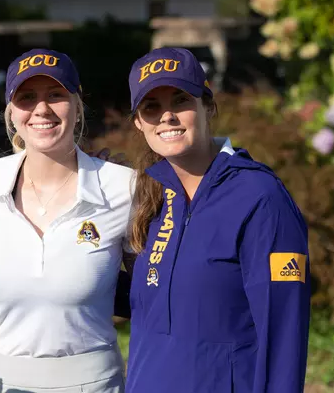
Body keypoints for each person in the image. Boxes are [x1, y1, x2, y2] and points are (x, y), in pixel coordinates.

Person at [0, 49, 135, 393]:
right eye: (27, 97)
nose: (41, 109)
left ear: (77, 107)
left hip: (92, 383)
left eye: (56, 95)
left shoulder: (124, 186)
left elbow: (152, 292)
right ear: (11, 113)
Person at [123, 47, 310, 392]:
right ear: (139, 123)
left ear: (207, 107)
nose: (167, 116)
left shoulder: (259, 195)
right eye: (152, 107)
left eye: (180, 100)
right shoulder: (152, 196)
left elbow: (284, 330)